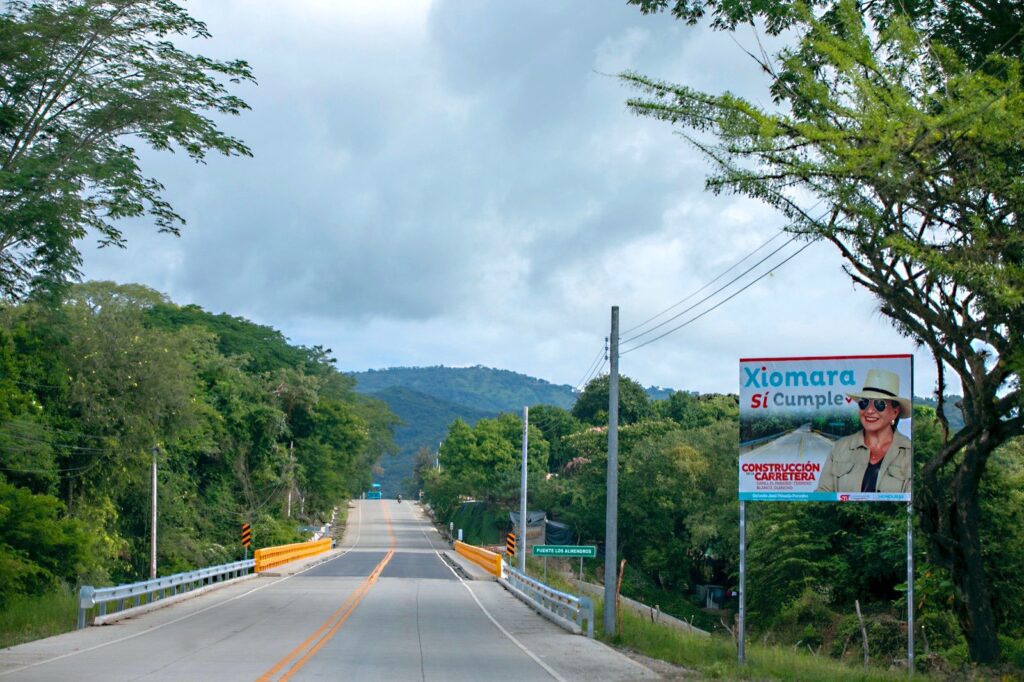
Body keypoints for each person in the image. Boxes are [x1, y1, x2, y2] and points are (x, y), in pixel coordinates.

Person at [816, 369, 912, 494]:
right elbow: (823, 494)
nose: (870, 410)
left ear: (895, 412)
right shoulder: (840, 448)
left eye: (879, 404)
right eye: (864, 403)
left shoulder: (909, 453)